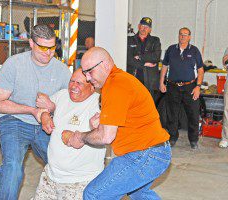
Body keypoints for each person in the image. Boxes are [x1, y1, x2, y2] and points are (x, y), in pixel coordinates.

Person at [62, 47, 171, 199]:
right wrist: (100, 126)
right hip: (153, 152)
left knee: (94, 195)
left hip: (145, 154)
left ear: (105, 65)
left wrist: (80, 137)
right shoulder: (117, 82)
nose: (87, 78)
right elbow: (115, 127)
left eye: (89, 71)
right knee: (140, 194)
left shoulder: (116, 85)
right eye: (85, 72)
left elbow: (106, 137)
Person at [0, 24, 71, 199]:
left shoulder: (62, 71)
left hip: (47, 124)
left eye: (52, 47)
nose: (48, 53)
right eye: (43, 47)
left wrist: (52, 107)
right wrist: (32, 111)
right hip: (14, 121)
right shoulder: (14, 64)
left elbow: (71, 107)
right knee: (12, 168)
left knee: (64, 165)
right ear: (31, 43)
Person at [33, 69, 105, 199]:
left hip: (81, 182)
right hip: (50, 177)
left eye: (79, 83)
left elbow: (104, 135)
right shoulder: (62, 95)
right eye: (72, 81)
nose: (73, 86)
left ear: (92, 87)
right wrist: (44, 115)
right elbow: (43, 106)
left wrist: (78, 135)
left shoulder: (99, 104)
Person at [159, 27, 204, 149]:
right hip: (172, 86)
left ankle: (193, 140)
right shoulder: (171, 50)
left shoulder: (194, 51)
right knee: (172, 114)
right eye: (181, 34)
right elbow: (164, 66)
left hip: (190, 87)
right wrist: (161, 83)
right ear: (178, 36)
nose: (182, 37)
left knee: (193, 114)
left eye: (185, 35)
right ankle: (172, 137)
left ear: (189, 37)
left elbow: (200, 70)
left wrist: (198, 87)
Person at [127, 17, 161, 100]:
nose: (144, 29)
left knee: (148, 106)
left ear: (150, 30)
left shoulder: (155, 41)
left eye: (147, 27)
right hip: (133, 79)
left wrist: (140, 57)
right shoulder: (129, 40)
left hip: (149, 81)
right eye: (142, 26)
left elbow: (156, 57)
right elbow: (128, 59)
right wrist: (144, 64)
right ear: (139, 26)